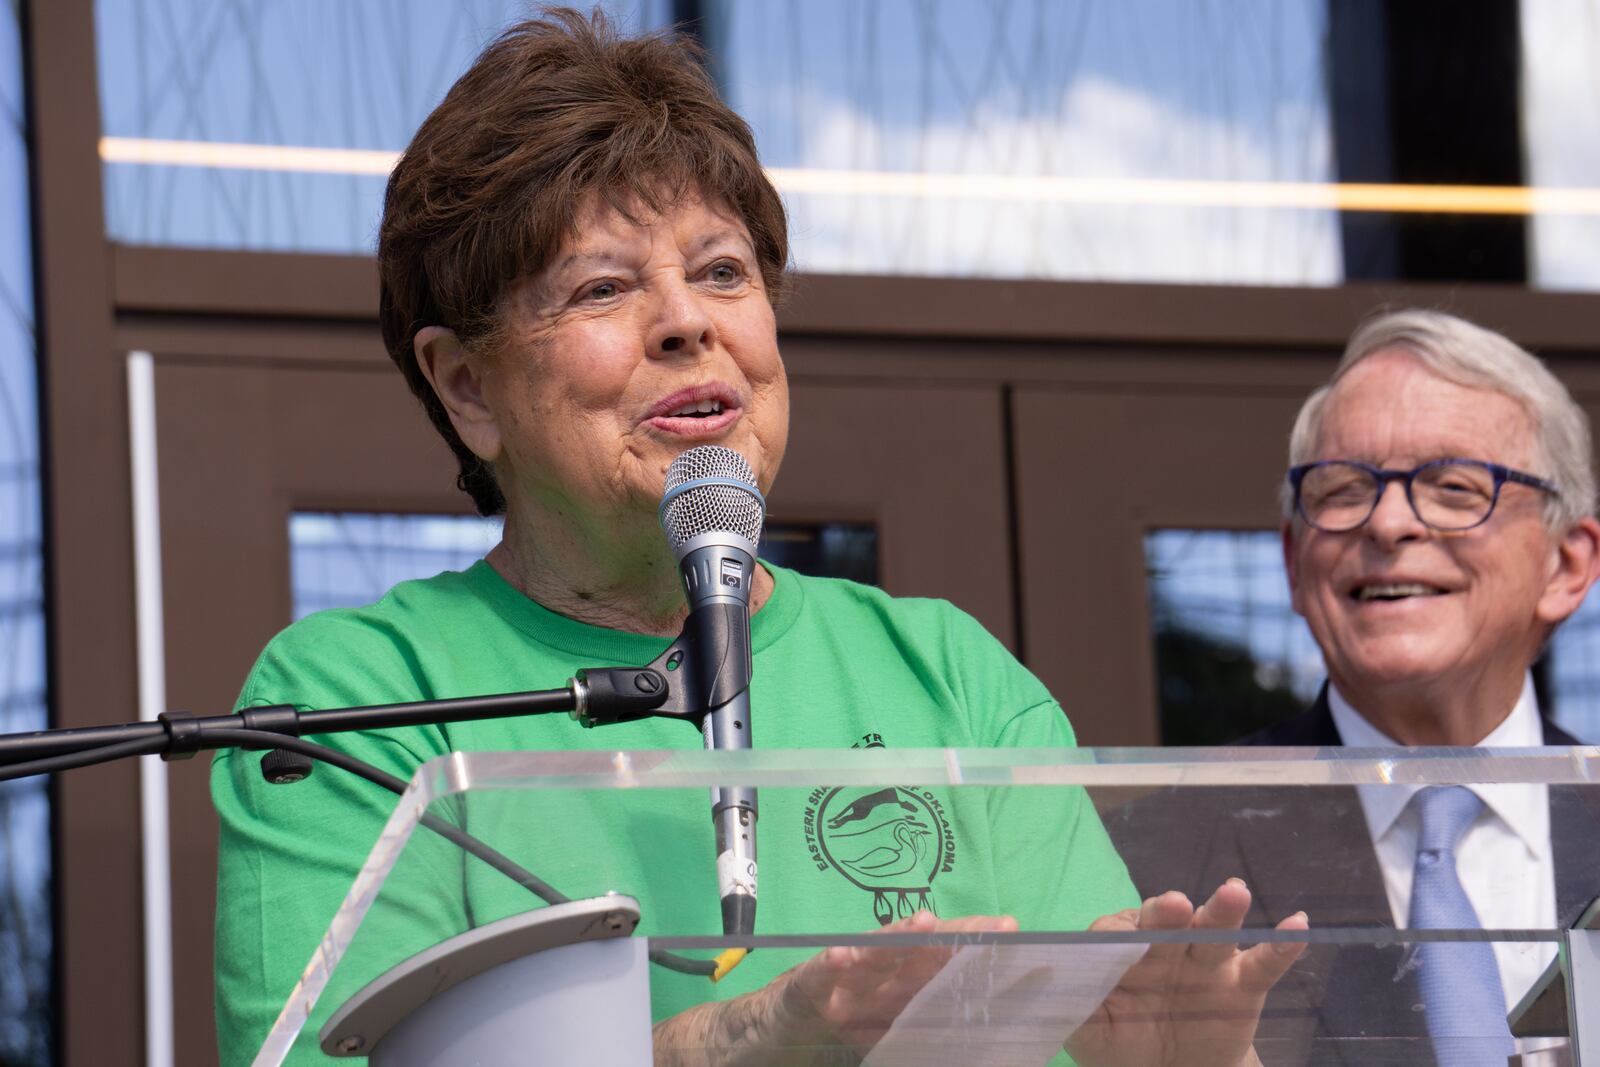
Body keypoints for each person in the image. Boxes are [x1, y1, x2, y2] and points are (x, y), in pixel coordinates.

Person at [211, 10, 1302, 1066]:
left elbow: (1105, 1027)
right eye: (604, 285)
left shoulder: (950, 675)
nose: (692, 322)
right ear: (466, 385)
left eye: (723, 271)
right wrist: (746, 1040)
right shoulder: (353, 700)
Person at [1111, 308, 1600, 1063]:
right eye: (1342, 490)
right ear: (1293, 562)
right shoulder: (1156, 864)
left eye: (1453, 486)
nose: (1389, 523)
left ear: (1567, 565)